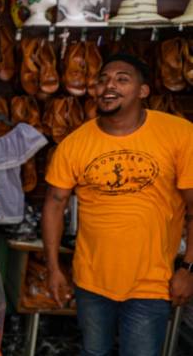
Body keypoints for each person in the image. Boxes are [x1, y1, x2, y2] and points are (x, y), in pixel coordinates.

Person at [41, 53, 193, 356]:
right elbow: (54, 205)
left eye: (122, 79)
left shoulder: (179, 134)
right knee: (93, 352)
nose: (109, 86)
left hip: (152, 283)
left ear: (143, 91)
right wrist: (54, 268)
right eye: (103, 79)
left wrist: (189, 268)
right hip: (91, 281)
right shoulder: (75, 143)